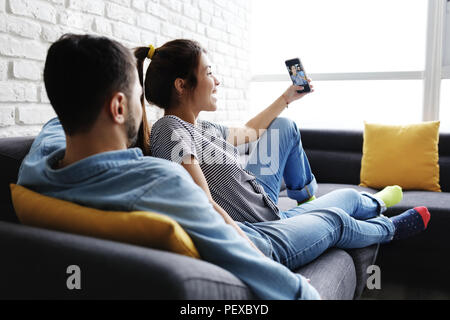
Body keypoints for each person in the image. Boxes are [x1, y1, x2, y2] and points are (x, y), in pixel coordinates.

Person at [16, 33, 323, 300]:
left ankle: (306, 193)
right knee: (342, 210)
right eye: (138, 97)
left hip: (252, 191)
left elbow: (57, 122)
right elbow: (219, 224)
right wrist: (296, 288)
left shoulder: (39, 161)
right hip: (255, 223)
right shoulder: (163, 180)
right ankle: (324, 201)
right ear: (119, 107)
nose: (143, 108)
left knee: (284, 127)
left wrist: (285, 98)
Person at [138, 39, 431, 272]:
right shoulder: (169, 129)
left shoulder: (200, 126)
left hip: (265, 208)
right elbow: (201, 202)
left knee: (340, 184)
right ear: (181, 85)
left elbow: (250, 133)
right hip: (256, 227)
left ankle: (366, 201)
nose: (218, 81)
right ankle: (388, 228)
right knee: (337, 218)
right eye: (209, 72)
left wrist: (287, 97)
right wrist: (249, 249)